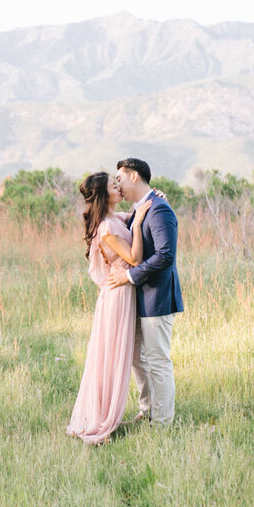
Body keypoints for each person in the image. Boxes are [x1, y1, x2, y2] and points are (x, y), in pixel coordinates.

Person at [65, 171, 153, 444]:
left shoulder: (115, 218)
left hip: (123, 292)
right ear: (104, 195)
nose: (119, 187)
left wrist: (153, 198)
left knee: (119, 354)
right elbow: (135, 258)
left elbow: (136, 210)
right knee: (112, 358)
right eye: (114, 185)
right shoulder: (106, 227)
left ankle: (137, 411)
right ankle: (101, 420)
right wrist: (137, 225)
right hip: (117, 296)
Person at [108, 157, 183, 426]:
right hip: (137, 300)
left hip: (157, 298)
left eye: (120, 178)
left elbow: (165, 255)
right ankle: (148, 411)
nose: (118, 184)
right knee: (139, 361)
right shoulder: (139, 210)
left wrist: (129, 275)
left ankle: (163, 423)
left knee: (157, 361)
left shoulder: (160, 209)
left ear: (135, 176)